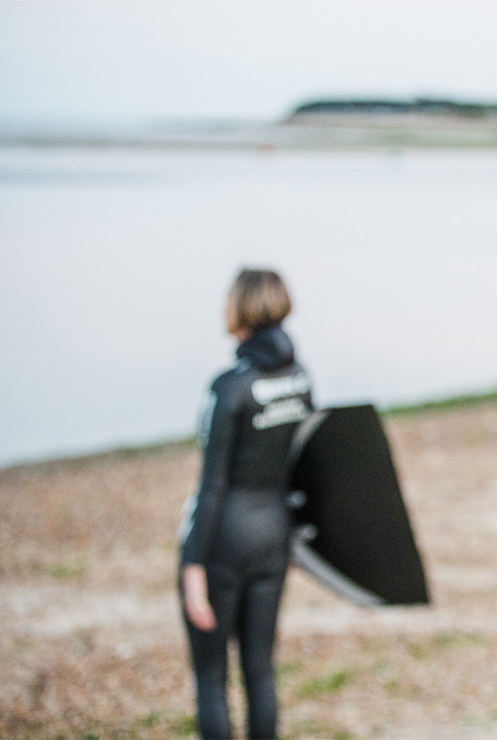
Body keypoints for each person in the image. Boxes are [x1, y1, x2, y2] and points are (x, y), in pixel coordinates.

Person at [178, 268, 313, 739]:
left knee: (211, 676)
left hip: (225, 542)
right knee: (260, 668)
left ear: (242, 308)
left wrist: (193, 568)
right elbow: (301, 464)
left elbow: (211, 486)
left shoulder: (229, 386)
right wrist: (295, 543)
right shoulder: (299, 377)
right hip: (274, 536)